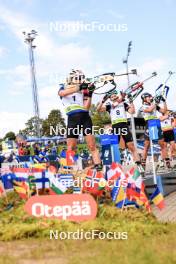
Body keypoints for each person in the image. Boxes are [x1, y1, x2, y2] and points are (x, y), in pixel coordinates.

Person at [58, 69, 102, 171]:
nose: (81, 79)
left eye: (82, 78)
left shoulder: (84, 90)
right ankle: (70, 170)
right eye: (78, 78)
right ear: (71, 78)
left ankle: (99, 169)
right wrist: (78, 87)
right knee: (71, 147)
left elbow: (86, 107)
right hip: (73, 119)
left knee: (92, 146)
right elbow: (62, 93)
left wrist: (90, 94)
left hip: (85, 117)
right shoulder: (63, 86)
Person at [97, 89, 144, 173]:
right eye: (111, 96)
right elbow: (98, 109)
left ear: (117, 95)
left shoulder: (123, 103)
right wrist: (102, 101)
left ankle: (139, 164)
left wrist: (131, 101)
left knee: (131, 145)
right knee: (113, 147)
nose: (114, 96)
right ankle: (108, 165)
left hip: (124, 125)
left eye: (115, 95)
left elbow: (132, 111)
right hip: (115, 126)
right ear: (110, 98)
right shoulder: (109, 105)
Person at [140, 92, 168, 169]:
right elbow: (149, 110)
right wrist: (155, 102)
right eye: (148, 97)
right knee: (146, 145)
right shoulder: (143, 106)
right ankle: (143, 164)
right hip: (149, 124)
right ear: (144, 99)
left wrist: (164, 101)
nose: (150, 98)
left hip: (156, 123)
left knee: (162, 144)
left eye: (150, 97)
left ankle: (167, 162)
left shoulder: (154, 105)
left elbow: (164, 111)